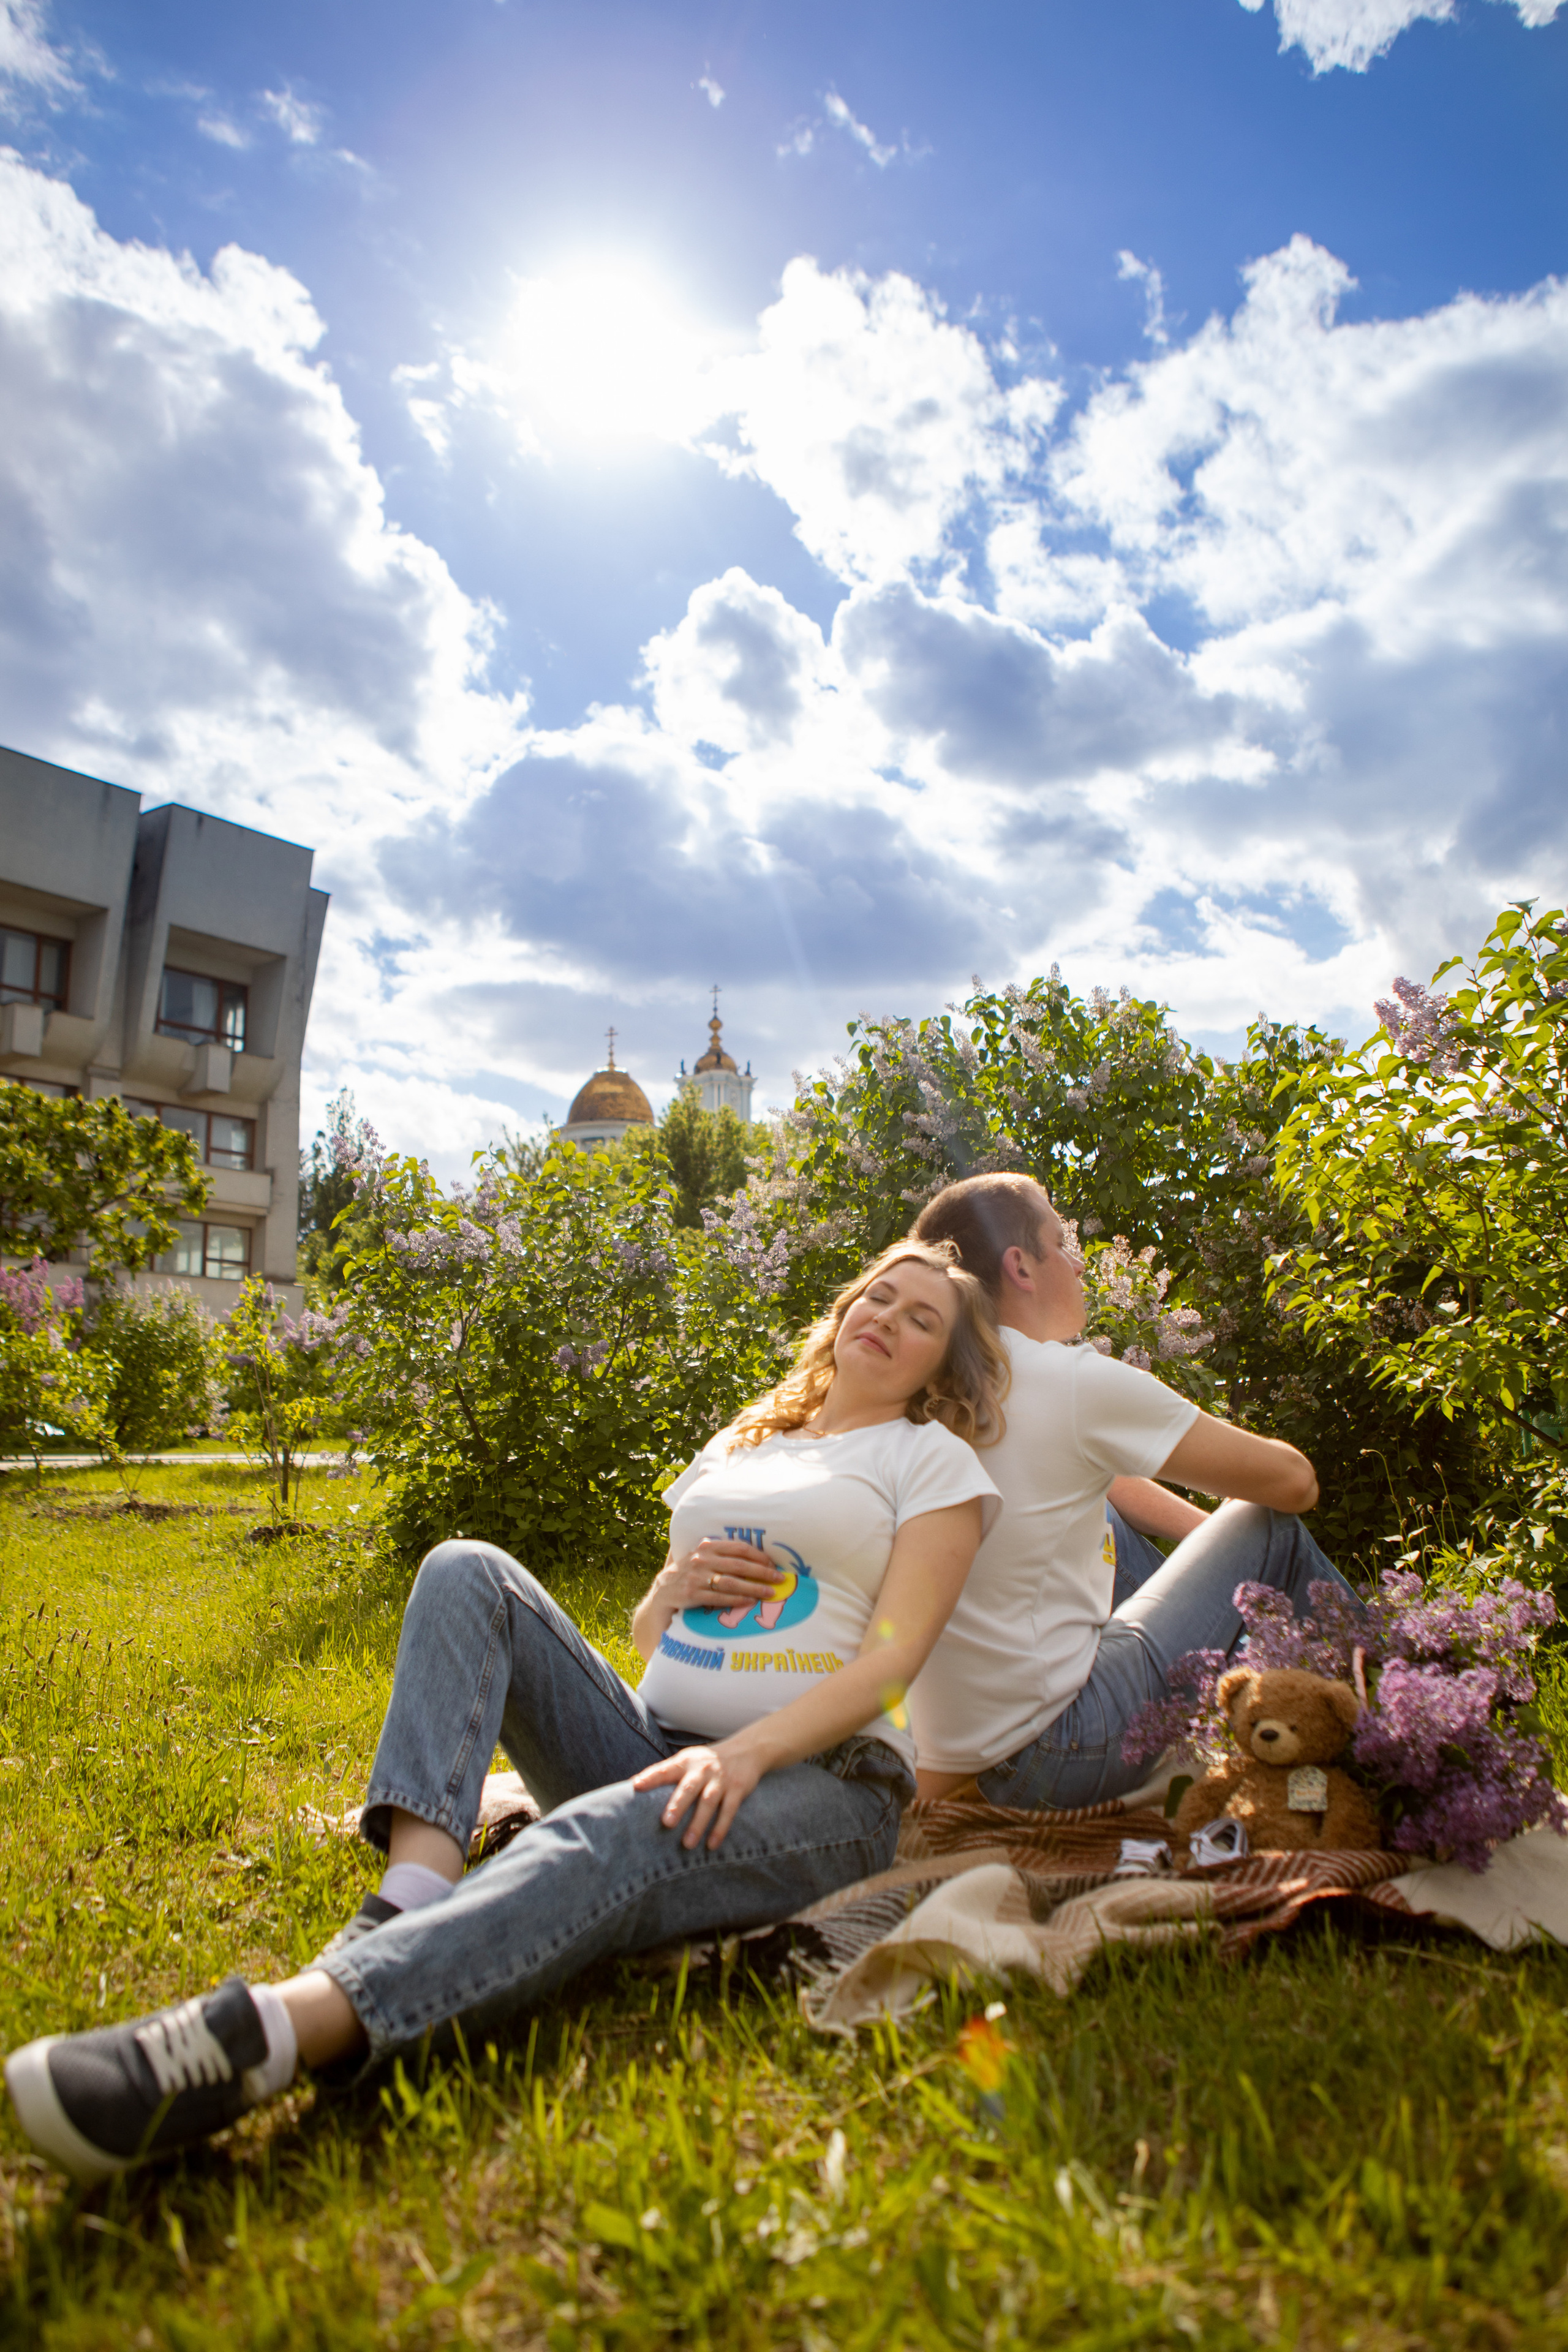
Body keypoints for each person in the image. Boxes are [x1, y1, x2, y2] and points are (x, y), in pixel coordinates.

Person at [7, 1242, 1007, 2187]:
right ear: (845, 1308)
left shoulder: (932, 1464)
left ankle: (270, 2033)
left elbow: (891, 1666)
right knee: (466, 1570)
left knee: (614, 1829)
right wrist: (670, 1595)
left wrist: (745, 1753)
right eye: (879, 1293)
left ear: (937, 1367)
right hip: (651, 1738)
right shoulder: (753, 1434)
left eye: (922, 1319)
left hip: (821, 1785)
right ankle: (408, 1903)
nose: (888, 1317)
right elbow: (658, 1632)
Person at [905, 1172, 1362, 1809]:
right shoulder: (1067, 1383)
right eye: (1060, 1243)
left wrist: (1214, 1558)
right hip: (1054, 1752)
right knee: (1268, 1527)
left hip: (951, 1751)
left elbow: (1108, 1480)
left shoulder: (937, 1382)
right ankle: (1402, 1721)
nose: (1077, 1263)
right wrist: (1245, 1546)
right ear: (1021, 1268)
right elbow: (1293, 1483)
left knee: (1109, 1518)